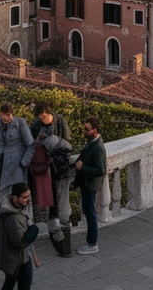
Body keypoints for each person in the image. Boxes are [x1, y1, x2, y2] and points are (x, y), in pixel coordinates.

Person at [29, 103, 73, 228]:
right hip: (43, 161)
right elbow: (30, 141)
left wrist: (55, 141)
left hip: (57, 160)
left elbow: (67, 141)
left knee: (56, 189)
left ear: (49, 113)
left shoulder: (60, 120)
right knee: (42, 190)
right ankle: (44, 217)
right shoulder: (36, 124)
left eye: (43, 116)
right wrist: (39, 140)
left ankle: (55, 216)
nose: (42, 119)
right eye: (40, 117)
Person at [0, 182, 39, 290]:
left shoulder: (13, 208)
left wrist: (35, 257)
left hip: (14, 258)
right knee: (24, 285)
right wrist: (34, 232)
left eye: (28, 197)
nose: (27, 200)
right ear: (15, 198)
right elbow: (19, 241)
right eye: (24, 197)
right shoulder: (14, 218)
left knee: (10, 282)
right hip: (17, 259)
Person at [73, 117, 106, 254]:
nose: (85, 132)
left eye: (87, 129)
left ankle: (92, 243)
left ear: (95, 130)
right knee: (88, 211)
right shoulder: (91, 143)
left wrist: (83, 167)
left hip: (90, 185)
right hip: (86, 183)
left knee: (91, 213)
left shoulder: (97, 147)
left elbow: (100, 170)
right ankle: (91, 242)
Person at [0, 102, 36, 192]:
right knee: (2, 194)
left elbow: (30, 145)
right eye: (3, 115)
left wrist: (24, 163)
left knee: (18, 194)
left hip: (17, 165)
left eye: (8, 115)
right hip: (0, 165)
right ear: (0, 113)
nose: (6, 118)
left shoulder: (21, 124)